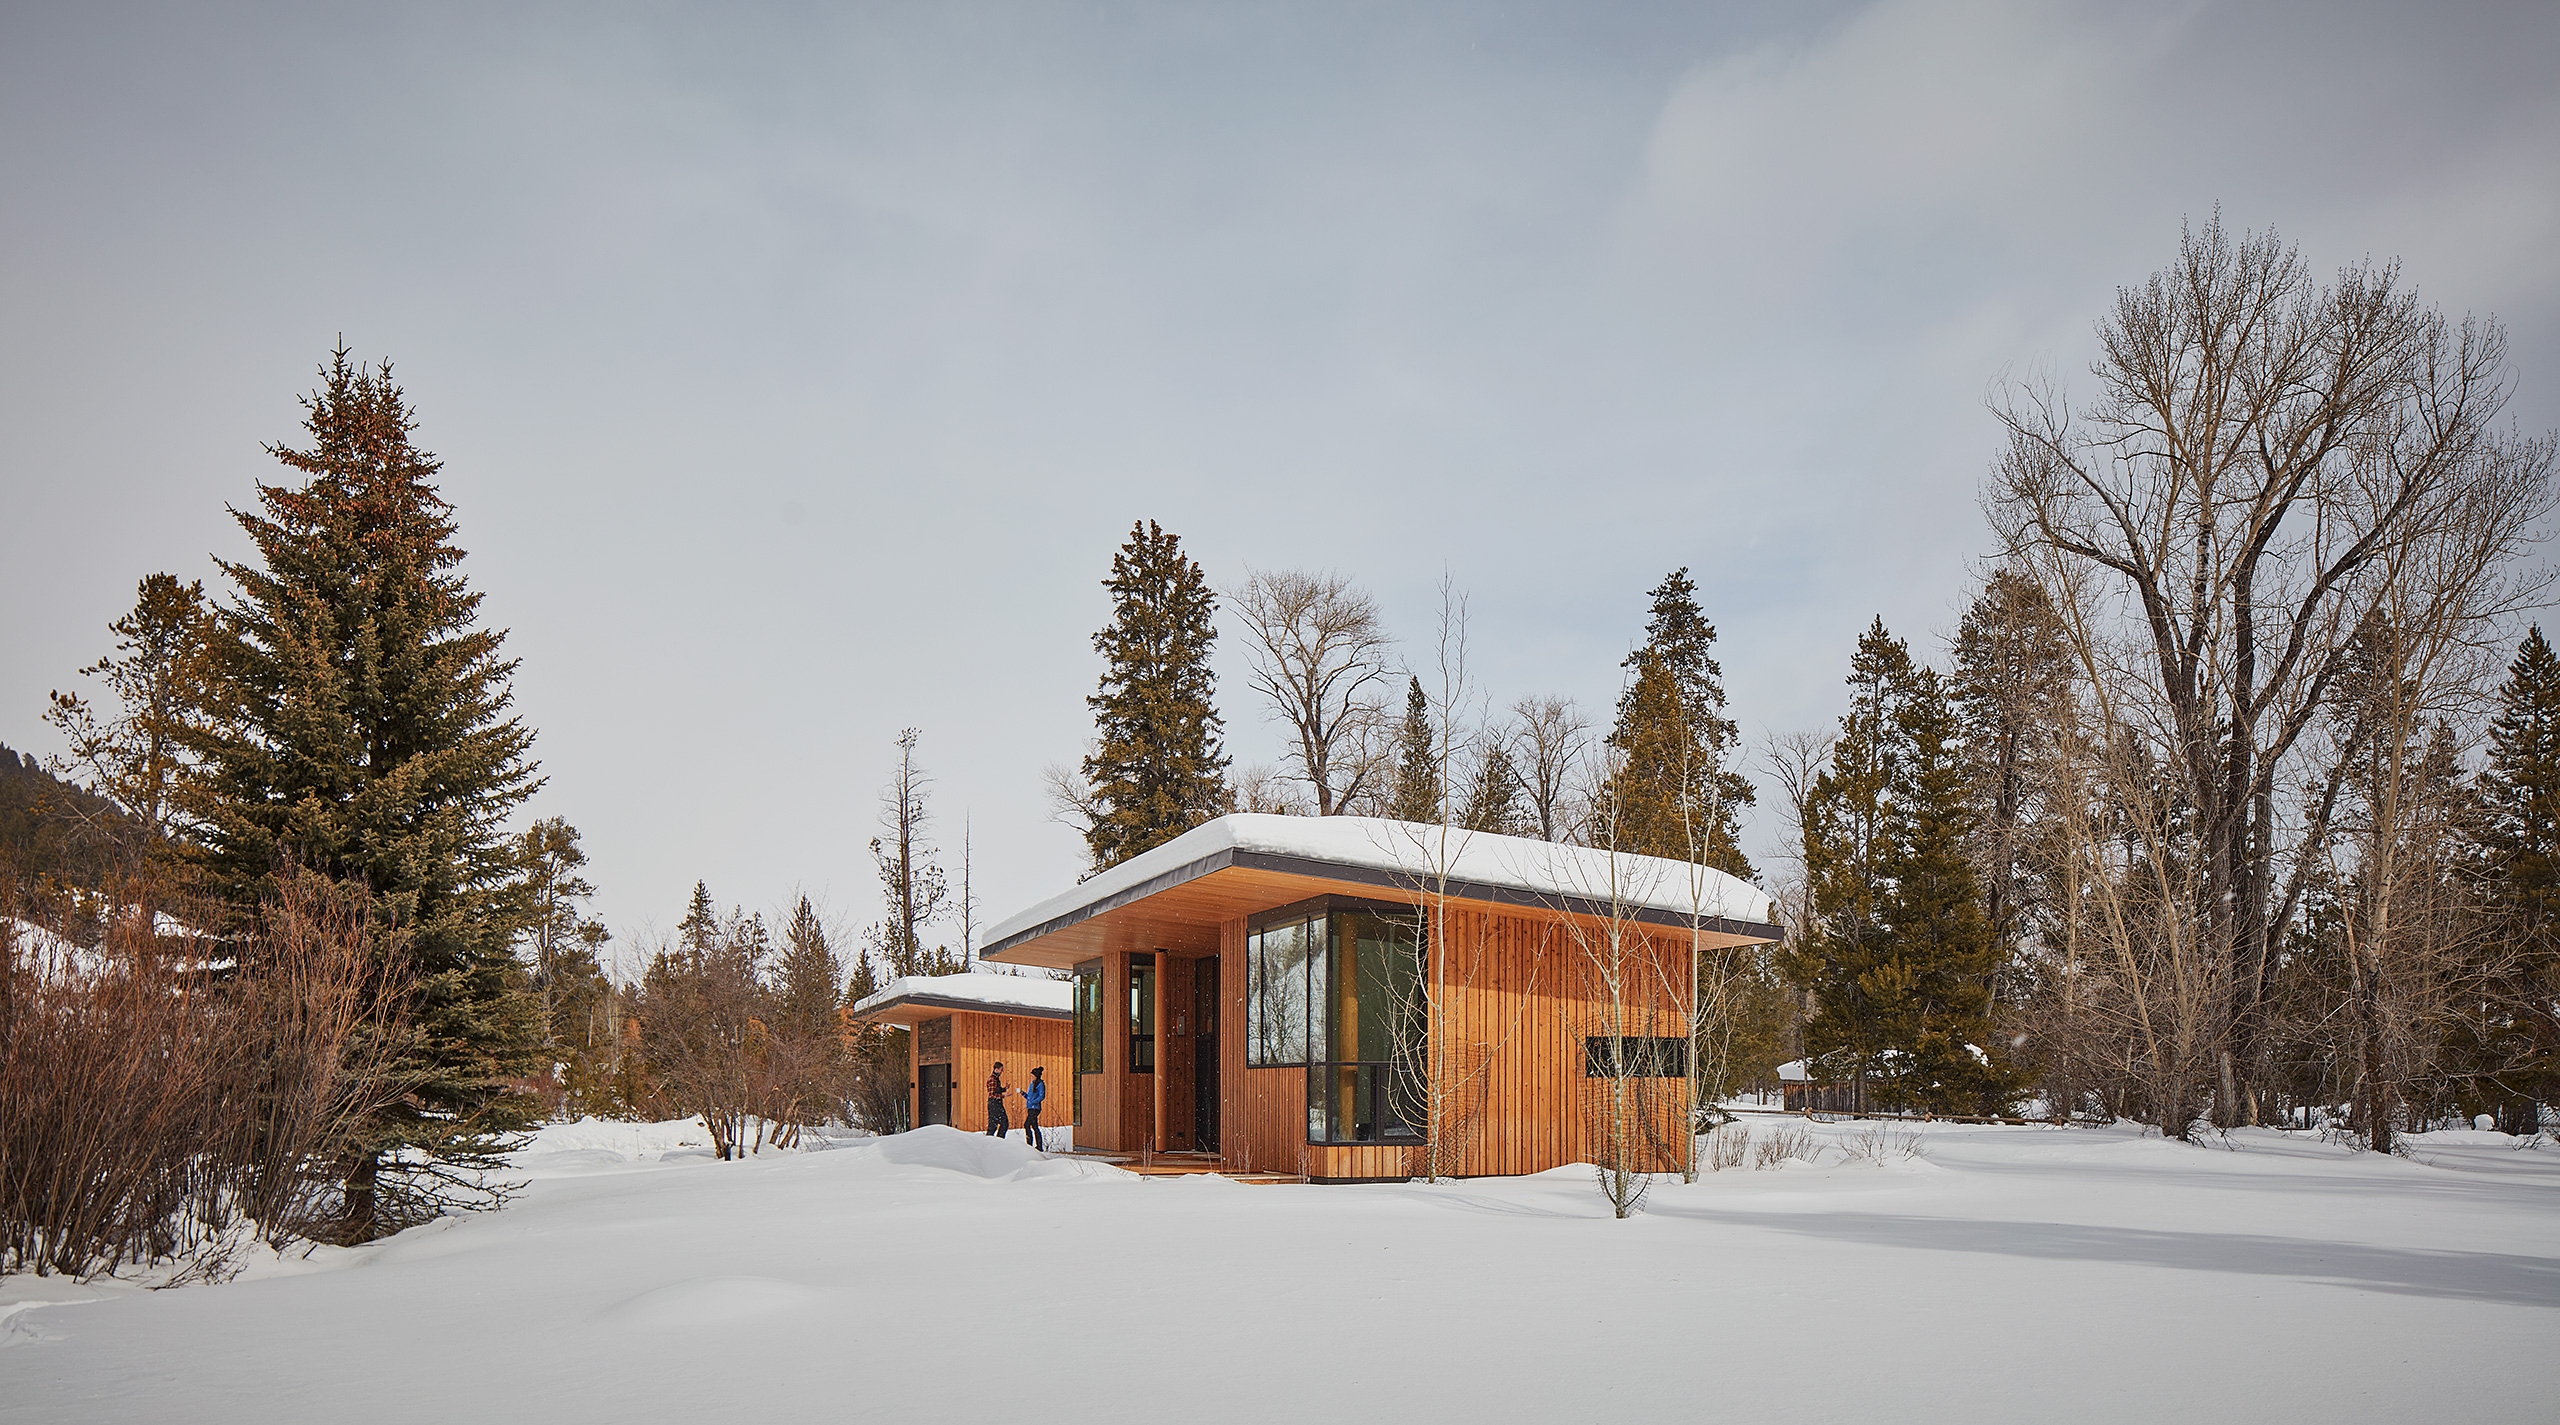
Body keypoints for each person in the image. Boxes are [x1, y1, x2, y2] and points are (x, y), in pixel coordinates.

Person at [1022, 1066, 1047, 1152]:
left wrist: (1034, 1102)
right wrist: (1023, 1094)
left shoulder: (1040, 1084)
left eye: (1032, 1075)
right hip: (1030, 1107)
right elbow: (1029, 1097)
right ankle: (1039, 1146)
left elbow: (1042, 1096)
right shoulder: (1032, 1084)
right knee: (1034, 1126)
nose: (1031, 1077)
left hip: (1035, 1108)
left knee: (1027, 1125)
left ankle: (1029, 1145)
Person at [984, 1061, 1010, 1139]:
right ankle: (997, 1140)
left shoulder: (995, 1079)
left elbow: (996, 1090)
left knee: (995, 1124)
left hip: (996, 1104)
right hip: (994, 1105)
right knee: (1001, 1123)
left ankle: (995, 1140)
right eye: (1001, 1069)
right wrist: (1003, 1096)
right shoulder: (992, 1079)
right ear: (996, 1069)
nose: (1002, 1072)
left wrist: (1004, 1089)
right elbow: (992, 1094)